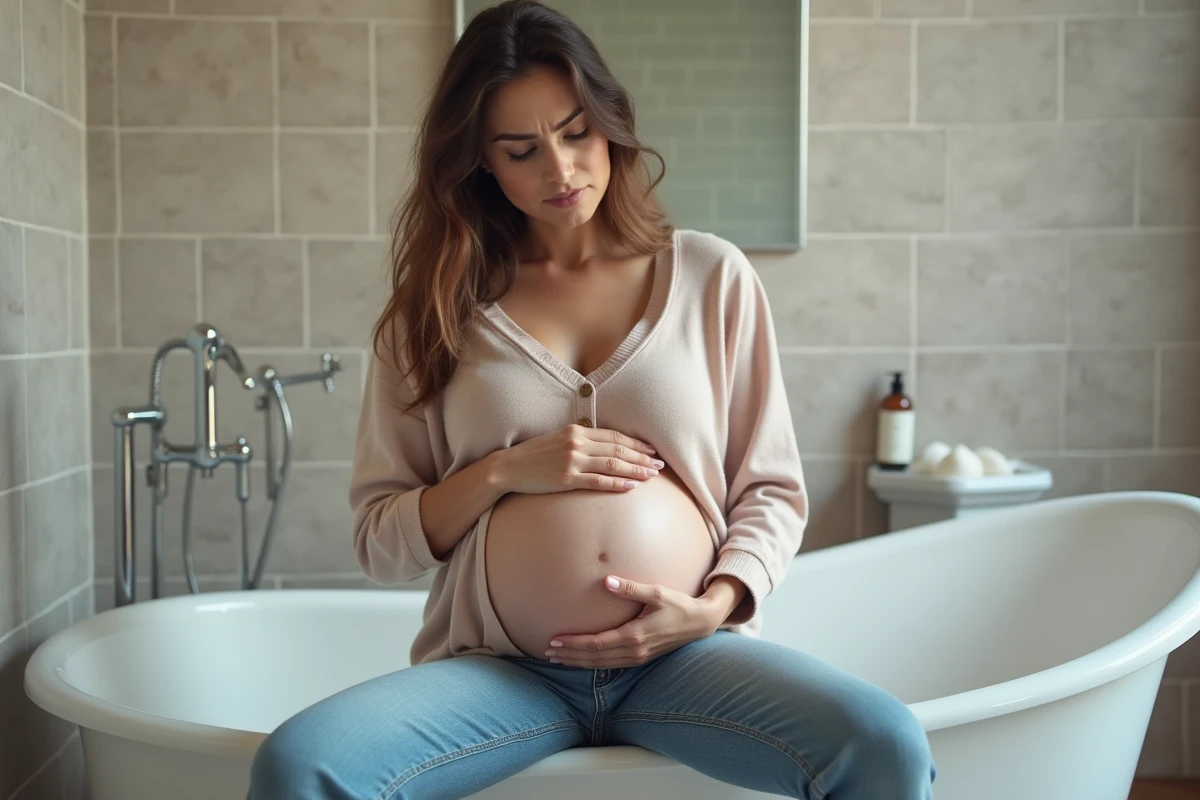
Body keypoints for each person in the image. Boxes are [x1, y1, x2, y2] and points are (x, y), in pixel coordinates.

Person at [247, 1, 935, 798]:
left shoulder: (714, 280)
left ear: (610, 123)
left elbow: (772, 489)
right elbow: (379, 540)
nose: (561, 170)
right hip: (503, 677)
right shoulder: (431, 315)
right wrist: (505, 472)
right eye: (521, 150)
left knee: (883, 743)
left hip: (685, 662)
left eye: (576, 133)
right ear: (481, 162)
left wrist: (712, 607)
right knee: (299, 766)